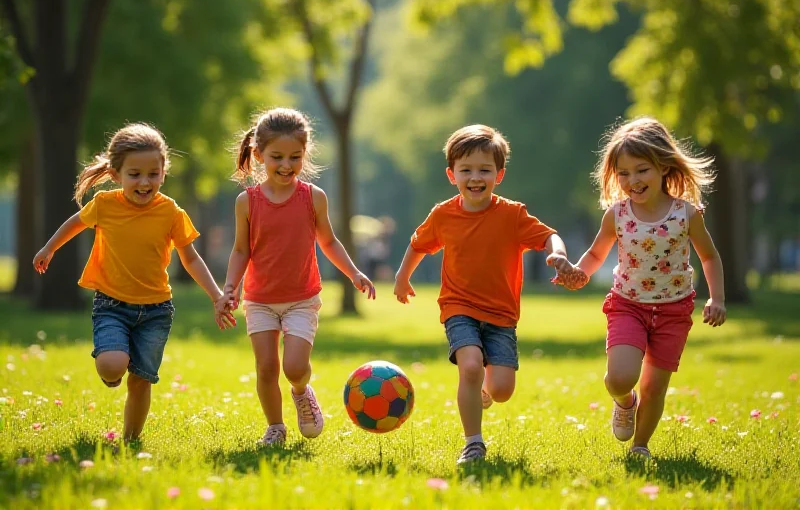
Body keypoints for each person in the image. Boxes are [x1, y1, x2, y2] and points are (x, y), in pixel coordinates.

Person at [33, 123, 233, 441]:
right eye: (134, 174)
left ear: (163, 172)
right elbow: (76, 222)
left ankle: (130, 441)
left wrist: (216, 295)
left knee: (141, 381)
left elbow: (191, 258)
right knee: (113, 365)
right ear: (116, 174)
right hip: (112, 304)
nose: (144, 182)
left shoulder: (170, 212)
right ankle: (113, 366)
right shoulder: (105, 205)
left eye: (153, 174)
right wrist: (49, 248)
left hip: (156, 311)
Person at [392, 124, 577, 464]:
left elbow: (550, 236)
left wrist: (559, 255)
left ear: (499, 174)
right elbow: (418, 244)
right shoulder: (443, 214)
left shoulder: (512, 215)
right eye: (466, 170)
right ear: (452, 175)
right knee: (471, 365)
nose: (475, 177)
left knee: (502, 390)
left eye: (484, 170)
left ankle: (483, 394)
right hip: (458, 306)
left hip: (501, 315)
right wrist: (403, 277)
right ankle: (473, 443)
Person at [563, 116, 726, 459]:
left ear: (664, 167)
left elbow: (709, 257)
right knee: (619, 378)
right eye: (623, 173)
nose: (632, 181)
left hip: (674, 310)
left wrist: (717, 298)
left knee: (654, 387)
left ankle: (640, 446)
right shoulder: (617, 215)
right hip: (628, 305)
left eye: (641, 170)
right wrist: (579, 272)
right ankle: (624, 402)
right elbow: (595, 253)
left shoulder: (686, 214)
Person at [219, 108, 375, 446]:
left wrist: (354, 272)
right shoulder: (247, 202)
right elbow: (241, 250)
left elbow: (329, 241)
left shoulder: (313, 198)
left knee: (294, 367)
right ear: (259, 155)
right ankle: (275, 426)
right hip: (260, 300)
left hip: (302, 299)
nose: (286, 165)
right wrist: (230, 287)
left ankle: (302, 392)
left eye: (295, 157)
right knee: (266, 368)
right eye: (277, 157)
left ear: (305, 155)